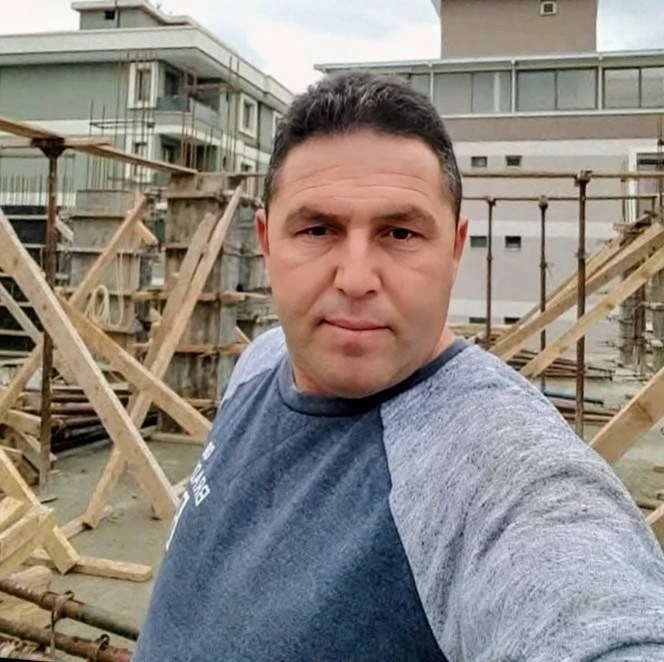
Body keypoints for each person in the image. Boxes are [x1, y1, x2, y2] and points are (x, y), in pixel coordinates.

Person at [134, 70, 664, 661]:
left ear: (455, 248)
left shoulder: (496, 467)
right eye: (317, 229)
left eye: (401, 233)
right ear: (266, 241)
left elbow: (599, 619)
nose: (356, 278)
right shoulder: (260, 362)